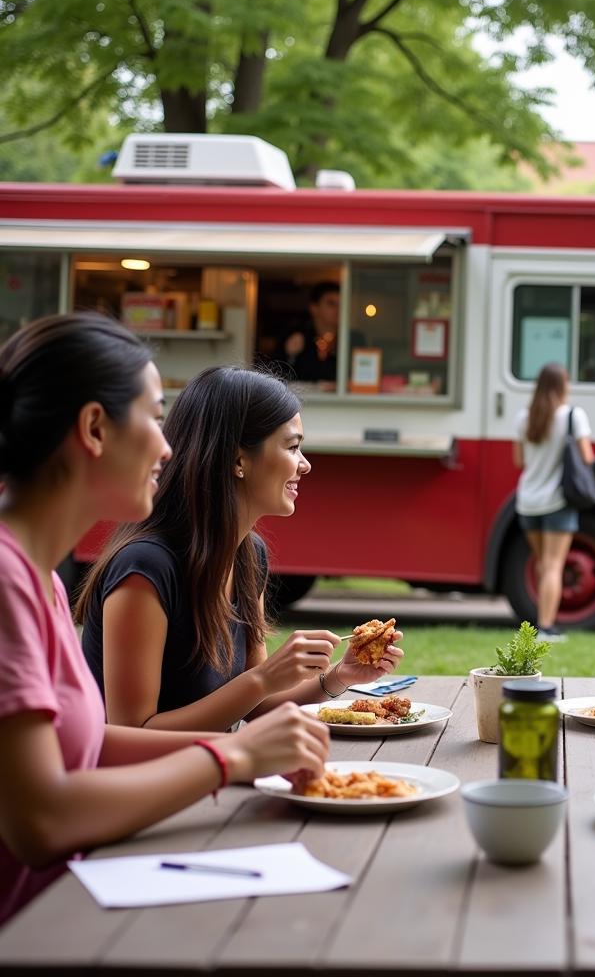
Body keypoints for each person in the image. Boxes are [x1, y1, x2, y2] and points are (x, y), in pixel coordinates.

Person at [0, 314, 329, 925]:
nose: (170, 445)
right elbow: (40, 821)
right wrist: (231, 759)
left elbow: (87, 744)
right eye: (154, 417)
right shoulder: (9, 578)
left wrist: (250, 747)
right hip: (39, 931)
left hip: (81, 897)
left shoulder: (38, 575)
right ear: (95, 429)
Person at [78, 366, 403, 732]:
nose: (305, 464)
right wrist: (263, 679)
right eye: (292, 447)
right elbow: (131, 732)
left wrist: (339, 677)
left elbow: (256, 706)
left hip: (210, 775)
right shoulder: (146, 567)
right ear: (237, 460)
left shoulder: (250, 554)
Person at [513, 363, 593, 641]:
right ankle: (546, 627)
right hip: (557, 501)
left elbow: (518, 460)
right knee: (553, 565)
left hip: (527, 501)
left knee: (542, 563)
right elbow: (587, 457)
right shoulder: (573, 415)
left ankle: (541, 623)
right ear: (562, 386)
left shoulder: (524, 417)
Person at [280, 281, 340, 386]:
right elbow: (279, 377)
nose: (338, 309)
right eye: (331, 304)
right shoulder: (297, 336)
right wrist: (290, 355)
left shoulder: (352, 339)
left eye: (342, 304)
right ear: (314, 308)